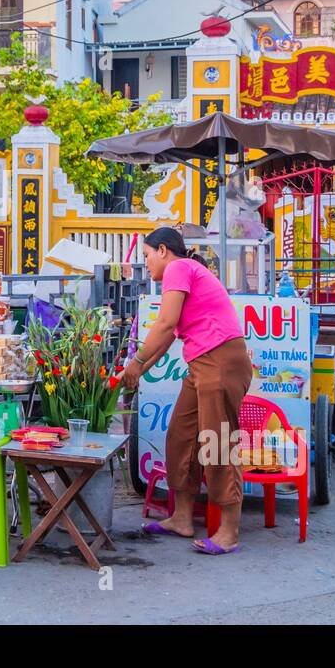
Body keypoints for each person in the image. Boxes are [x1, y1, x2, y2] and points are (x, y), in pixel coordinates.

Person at [119, 226, 252, 555]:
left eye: (147, 255)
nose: (146, 263)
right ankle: (181, 517)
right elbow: (166, 336)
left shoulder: (179, 268)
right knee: (181, 435)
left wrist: (136, 363)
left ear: (163, 250)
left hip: (220, 360)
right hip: (202, 364)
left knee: (218, 442)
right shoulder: (186, 272)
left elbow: (164, 323)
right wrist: (138, 371)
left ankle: (229, 531)